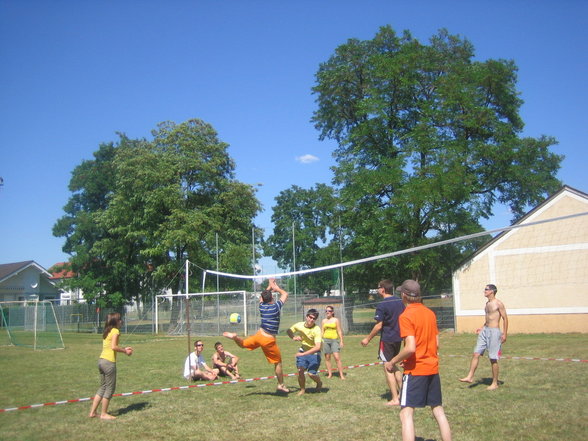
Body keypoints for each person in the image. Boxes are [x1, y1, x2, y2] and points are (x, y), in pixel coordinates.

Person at [385, 280, 452, 441]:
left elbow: (410, 348)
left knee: (405, 413)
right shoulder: (430, 313)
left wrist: (392, 361)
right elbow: (436, 343)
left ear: (404, 295)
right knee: (438, 410)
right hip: (432, 368)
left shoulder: (406, 315)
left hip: (416, 371)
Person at [223, 278, 290, 393]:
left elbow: (261, 297)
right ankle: (281, 385)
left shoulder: (262, 306)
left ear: (263, 299)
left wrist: (269, 286)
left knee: (243, 344)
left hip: (259, 335)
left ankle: (235, 337)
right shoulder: (276, 307)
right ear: (272, 298)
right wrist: (276, 288)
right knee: (277, 362)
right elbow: (285, 294)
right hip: (268, 340)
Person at [361, 279, 405, 405]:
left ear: (383, 289)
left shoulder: (382, 305)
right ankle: (403, 394)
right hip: (398, 338)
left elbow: (378, 326)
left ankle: (395, 398)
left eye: (378, 287)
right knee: (394, 364)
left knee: (388, 367)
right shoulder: (400, 302)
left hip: (387, 339)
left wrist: (367, 339)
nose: (377, 290)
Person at [459, 284, 509, 390]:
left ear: (492, 291)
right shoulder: (487, 304)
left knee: (493, 358)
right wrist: (482, 328)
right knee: (476, 353)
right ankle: (470, 376)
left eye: (486, 289)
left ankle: (494, 383)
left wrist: (504, 333)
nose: (484, 291)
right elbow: (488, 319)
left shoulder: (498, 303)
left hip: (494, 332)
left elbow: (505, 318)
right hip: (485, 331)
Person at [89, 312, 133, 420]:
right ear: (115, 321)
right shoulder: (115, 331)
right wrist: (125, 351)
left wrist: (123, 348)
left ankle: (93, 412)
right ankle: (104, 414)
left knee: (102, 387)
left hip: (101, 361)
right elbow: (113, 347)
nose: (121, 321)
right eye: (119, 320)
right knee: (109, 388)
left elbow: (111, 346)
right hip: (109, 363)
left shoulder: (107, 331)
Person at [287, 308, 323, 395]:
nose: (311, 320)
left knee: (311, 374)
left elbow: (317, 347)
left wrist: (303, 354)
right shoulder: (299, 325)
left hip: (314, 354)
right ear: (306, 316)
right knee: (300, 370)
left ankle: (319, 382)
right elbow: (289, 330)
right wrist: (293, 337)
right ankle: (302, 389)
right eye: (310, 317)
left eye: (314, 319)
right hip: (303, 350)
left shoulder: (317, 329)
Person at [321, 305, 345, 379]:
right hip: (325, 340)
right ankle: (330, 374)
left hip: (334, 340)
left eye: (329, 311)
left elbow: (339, 331)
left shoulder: (335, 320)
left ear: (332, 312)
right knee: (327, 358)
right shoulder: (323, 321)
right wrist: (320, 341)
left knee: (336, 357)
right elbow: (322, 331)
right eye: (326, 311)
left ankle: (341, 375)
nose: (328, 312)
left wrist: (341, 341)